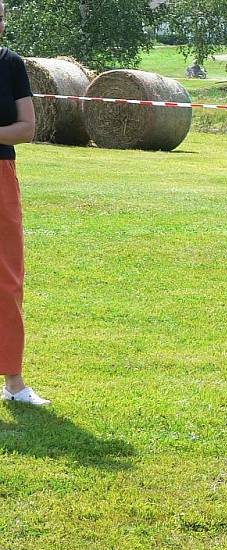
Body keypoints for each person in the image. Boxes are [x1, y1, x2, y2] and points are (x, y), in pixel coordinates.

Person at [0, 2, 49, 407]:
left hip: (0, 178)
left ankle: (14, 383)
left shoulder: (10, 64)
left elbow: (26, 128)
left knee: (7, 278)